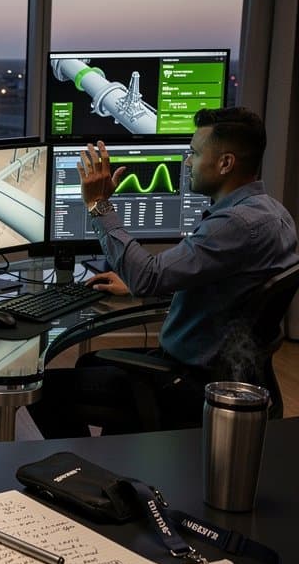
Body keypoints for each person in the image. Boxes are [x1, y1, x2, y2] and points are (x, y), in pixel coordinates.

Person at [30, 106, 299, 437]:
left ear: (226, 163)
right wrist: (136, 283)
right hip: (231, 373)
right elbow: (235, 290)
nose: (187, 162)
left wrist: (99, 206)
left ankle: (80, 469)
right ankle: (117, 463)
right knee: (91, 362)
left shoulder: (233, 225)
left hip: (190, 382)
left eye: (194, 153)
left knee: (41, 389)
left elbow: (148, 277)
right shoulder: (275, 214)